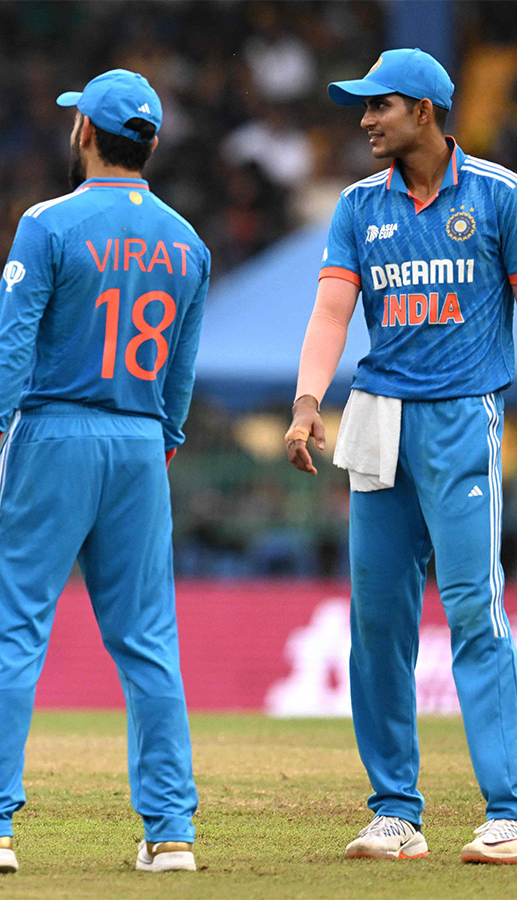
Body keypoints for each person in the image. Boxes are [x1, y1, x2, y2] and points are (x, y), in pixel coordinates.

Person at [0, 69, 209, 876]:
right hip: (142, 442)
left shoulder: (49, 224)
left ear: (84, 133)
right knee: (149, 644)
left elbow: (8, 348)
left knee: (15, 639)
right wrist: (153, 451)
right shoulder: (189, 242)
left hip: (52, 437)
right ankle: (170, 833)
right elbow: (180, 373)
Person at [286, 48, 517, 864]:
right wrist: (310, 400)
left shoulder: (498, 195)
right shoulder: (357, 205)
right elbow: (330, 313)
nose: (363, 120)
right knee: (377, 620)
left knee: (473, 611)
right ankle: (395, 813)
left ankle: (509, 810)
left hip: (463, 417)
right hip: (377, 419)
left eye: (377, 105)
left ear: (423, 110)